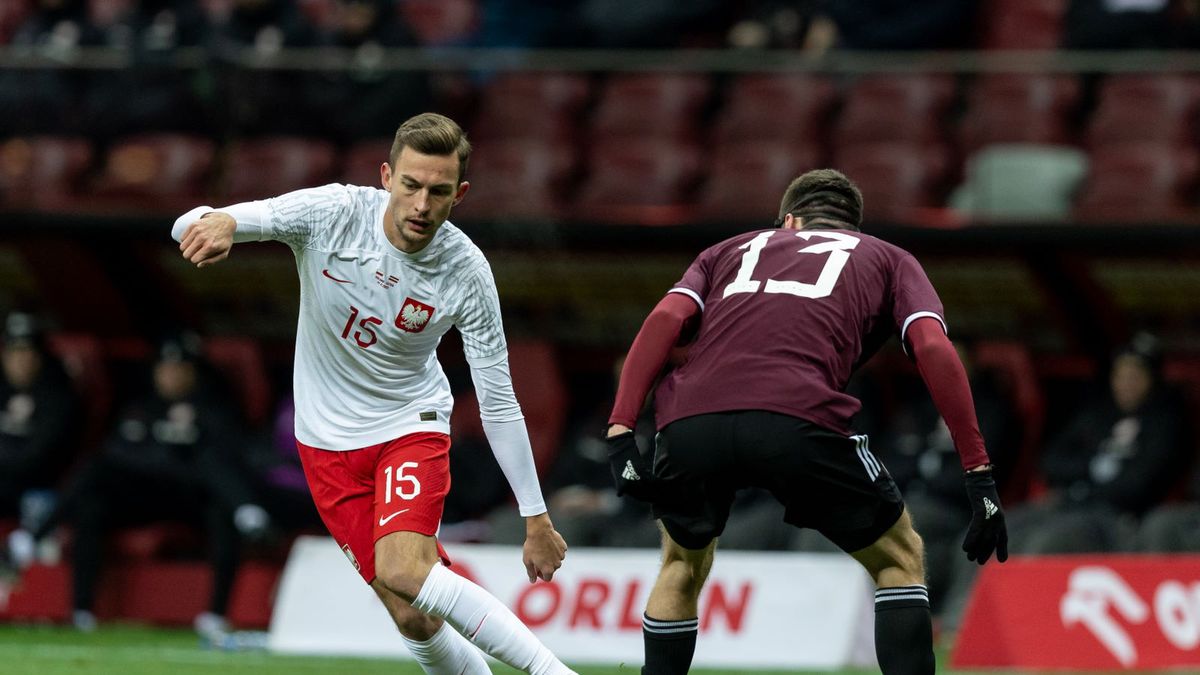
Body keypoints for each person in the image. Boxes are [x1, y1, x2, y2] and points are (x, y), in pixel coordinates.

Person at [172, 112, 572, 675]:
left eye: (438, 192)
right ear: (386, 176)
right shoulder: (333, 213)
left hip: (410, 424)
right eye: (410, 185)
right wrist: (215, 226)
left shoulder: (466, 271)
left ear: (460, 194)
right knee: (412, 617)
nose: (420, 206)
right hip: (325, 444)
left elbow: (499, 400)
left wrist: (535, 517)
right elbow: (211, 219)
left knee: (408, 570)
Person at [604, 169, 1008, 675]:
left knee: (682, 563)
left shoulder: (728, 249)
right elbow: (930, 346)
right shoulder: (888, 257)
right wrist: (978, 470)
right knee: (899, 557)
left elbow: (664, 320)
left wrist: (621, 428)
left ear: (788, 221)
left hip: (691, 423)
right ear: (852, 228)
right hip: (796, 417)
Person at [10, 332, 269, 634]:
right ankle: (80, 610)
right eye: (164, 369)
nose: (171, 376)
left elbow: (228, 457)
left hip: (192, 499)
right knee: (93, 492)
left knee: (220, 504)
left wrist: (165, 450)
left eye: (180, 369)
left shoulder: (216, 408)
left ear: (194, 371)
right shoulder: (143, 407)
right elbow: (118, 454)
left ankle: (216, 614)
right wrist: (175, 450)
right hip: (143, 495)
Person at [0, 311, 79, 526]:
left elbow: (38, 457)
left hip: (30, 488)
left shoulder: (58, 397)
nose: (21, 360)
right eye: (15, 352)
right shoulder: (3, 390)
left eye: (28, 352)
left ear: (40, 357)